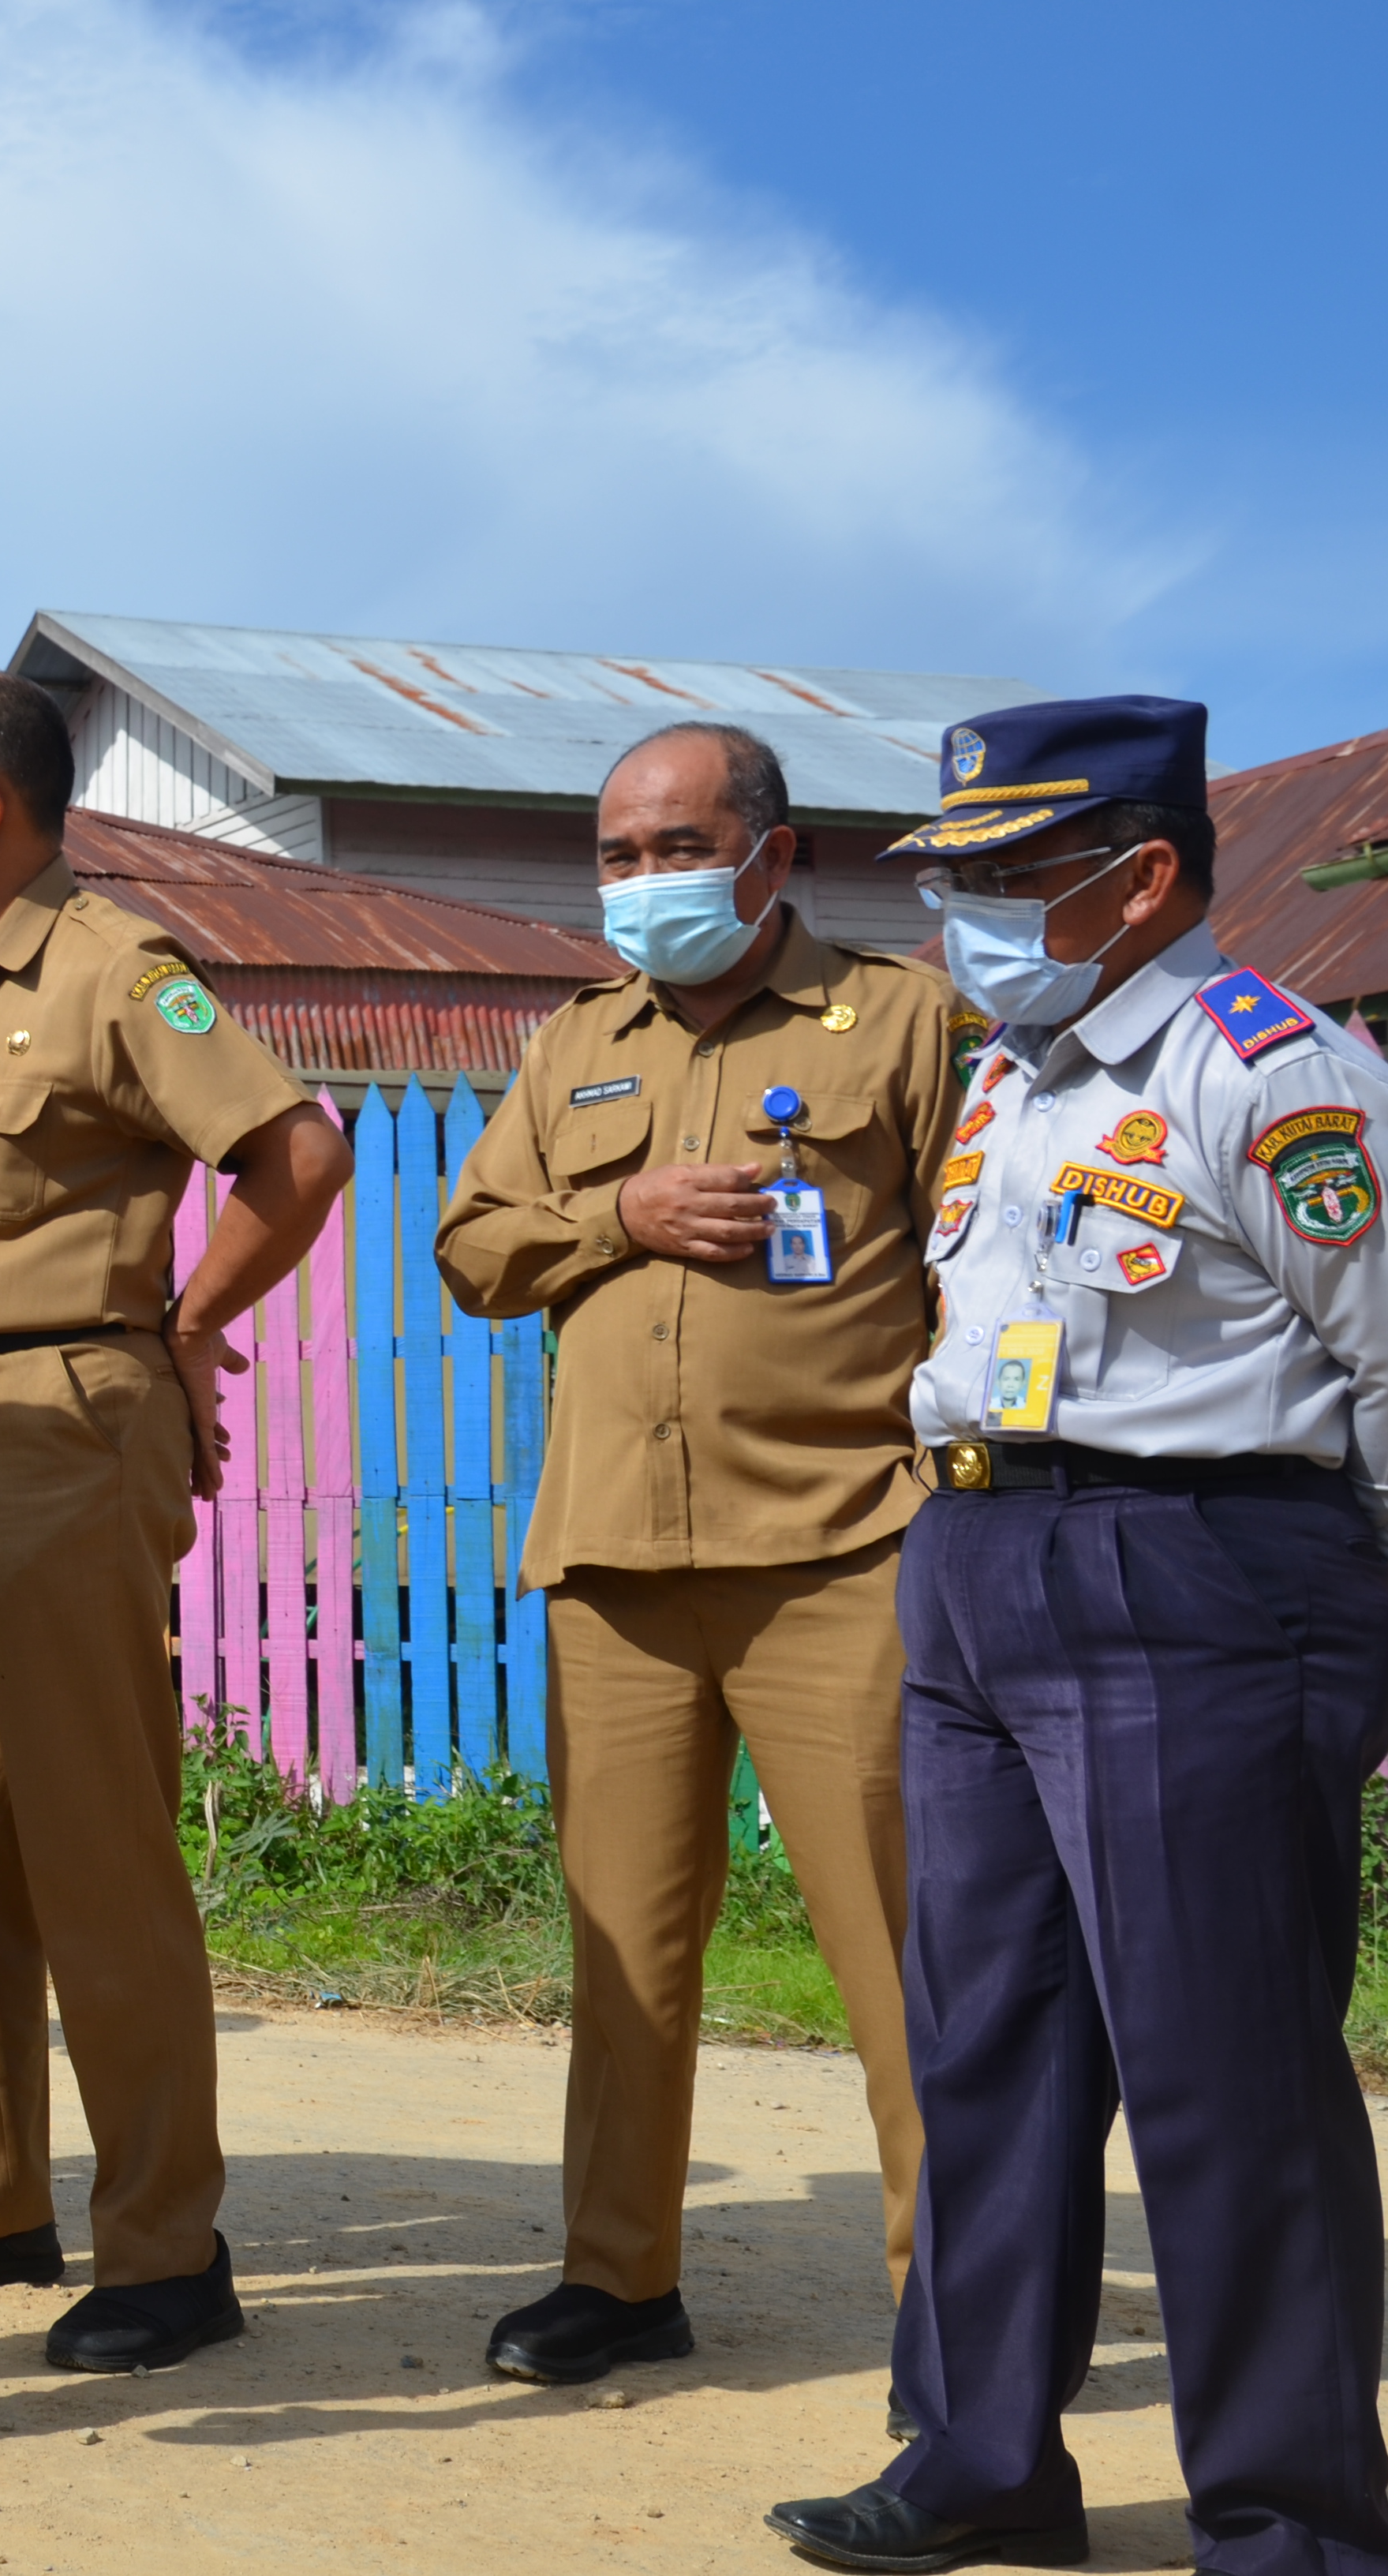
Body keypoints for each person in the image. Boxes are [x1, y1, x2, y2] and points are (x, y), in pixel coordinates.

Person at [765, 698, 1388, 2576]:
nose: (958, 909)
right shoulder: (1014, 1077)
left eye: (998, 875)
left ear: (1138, 881)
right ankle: (983, 2455)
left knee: (1226, 2070)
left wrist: (1330, 1594)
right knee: (990, 2045)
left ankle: (1292, 2524)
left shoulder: (1273, 1073)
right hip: (976, 1554)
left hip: (1196, 1573)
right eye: (950, 873)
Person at [0, 673, 350, 2374]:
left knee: (88, 1837)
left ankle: (165, 2246)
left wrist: (184, 1332)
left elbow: (296, 1154)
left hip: (56, 1418)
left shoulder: (114, 968)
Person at [431, 724, 952, 2391]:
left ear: (770, 856)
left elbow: (985, 1266)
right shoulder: (576, 1044)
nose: (639, 880)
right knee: (624, 1944)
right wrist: (619, 1219)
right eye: (615, 854)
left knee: (905, 1949)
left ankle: (960, 2298)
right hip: (613, 1566)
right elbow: (471, 1246)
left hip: (842, 1549)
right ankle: (620, 2277)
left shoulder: (906, 1022)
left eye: (672, 846)